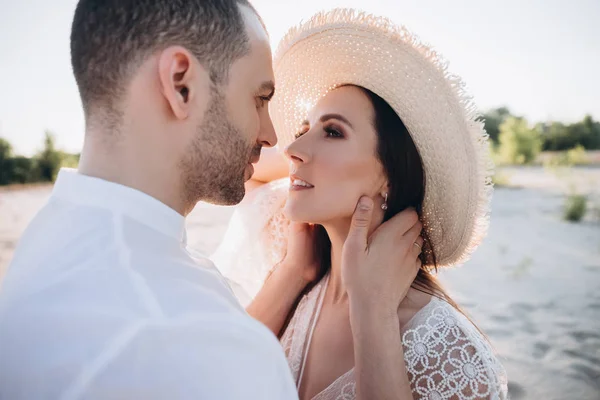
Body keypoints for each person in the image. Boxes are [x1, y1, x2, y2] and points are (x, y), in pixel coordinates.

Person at [0, 2, 423, 399]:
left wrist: (296, 269)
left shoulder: (51, 239)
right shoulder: (200, 346)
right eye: (259, 98)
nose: (274, 137)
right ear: (181, 85)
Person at [212, 9, 508, 400]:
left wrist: (373, 313)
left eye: (332, 132)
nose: (295, 149)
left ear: (389, 175)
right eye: (304, 130)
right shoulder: (294, 267)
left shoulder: (452, 357)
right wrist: (295, 271)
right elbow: (217, 374)